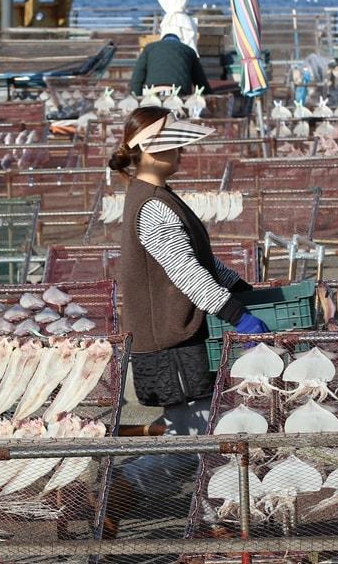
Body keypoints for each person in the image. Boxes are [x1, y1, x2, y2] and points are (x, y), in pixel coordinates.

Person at [104, 106, 265, 528]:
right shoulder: (153, 205)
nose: (181, 151)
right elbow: (184, 272)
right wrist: (236, 313)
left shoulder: (162, 197)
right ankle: (118, 489)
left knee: (199, 433)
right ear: (150, 150)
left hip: (180, 339)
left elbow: (203, 262)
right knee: (193, 443)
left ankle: (210, 520)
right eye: (172, 143)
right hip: (170, 345)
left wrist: (240, 288)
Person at [129, 33, 209, 97]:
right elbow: (200, 80)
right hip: (179, 92)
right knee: (176, 116)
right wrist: (209, 97)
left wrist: (135, 98)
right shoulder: (188, 50)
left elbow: (137, 76)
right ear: (178, 42)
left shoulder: (149, 48)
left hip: (154, 92)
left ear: (162, 40)